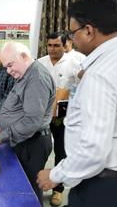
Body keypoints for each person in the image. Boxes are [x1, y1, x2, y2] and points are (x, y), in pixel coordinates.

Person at [37, 0, 117, 207]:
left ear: (89, 31)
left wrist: (56, 174)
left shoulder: (102, 72)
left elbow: (94, 148)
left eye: (73, 34)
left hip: (104, 188)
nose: (72, 40)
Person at [0, 41, 55, 205]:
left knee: (28, 191)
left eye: (10, 65)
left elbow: (32, 121)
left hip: (33, 143)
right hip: (25, 140)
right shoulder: (26, 73)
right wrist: (4, 124)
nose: (8, 71)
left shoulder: (36, 78)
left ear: (24, 57)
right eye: (6, 67)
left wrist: (0, 137)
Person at [37, 31, 81, 206]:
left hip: (63, 116)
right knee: (39, 150)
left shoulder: (74, 63)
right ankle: (38, 185)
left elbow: (82, 89)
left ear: (65, 46)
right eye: (49, 45)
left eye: (56, 45)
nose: (52, 49)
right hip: (41, 115)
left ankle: (58, 190)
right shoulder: (39, 63)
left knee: (62, 152)